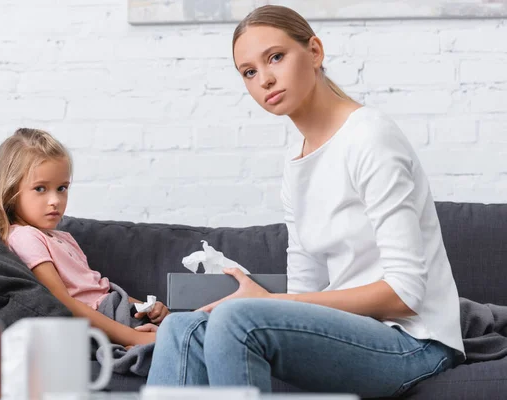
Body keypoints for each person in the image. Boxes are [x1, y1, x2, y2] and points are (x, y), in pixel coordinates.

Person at [147, 5, 464, 397]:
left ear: (315, 51)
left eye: (276, 57)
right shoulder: (296, 162)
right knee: (182, 327)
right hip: (350, 334)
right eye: (249, 72)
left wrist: (268, 303)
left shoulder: (370, 138)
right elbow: (302, 289)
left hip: (415, 342)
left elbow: (406, 294)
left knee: (236, 318)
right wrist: (271, 302)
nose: (265, 79)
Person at [0, 128, 168, 347]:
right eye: (40, 189)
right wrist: (136, 338)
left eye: (62, 188)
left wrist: (147, 306)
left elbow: (97, 289)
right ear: (11, 192)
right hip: (102, 321)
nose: (55, 200)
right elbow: (63, 302)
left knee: (186, 328)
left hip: (119, 308)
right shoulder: (25, 237)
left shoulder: (63, 237)